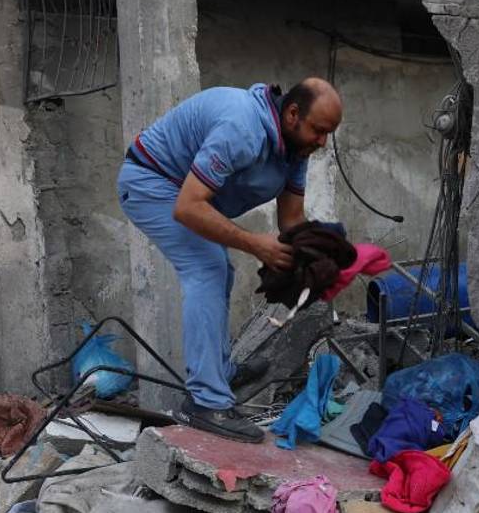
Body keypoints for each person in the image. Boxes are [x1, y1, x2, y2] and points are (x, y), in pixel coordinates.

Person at [117, 78, 342, 442]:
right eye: (319, 131)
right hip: (151, 182)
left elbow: (291, 220)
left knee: (220, 270)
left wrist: (322, 256)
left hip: (185, 194)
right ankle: (207, 403)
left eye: (328, 134)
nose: (322, 142)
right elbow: (189, 207)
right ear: (292, 114)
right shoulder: (242, 128)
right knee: (206, 268)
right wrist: (256, 244)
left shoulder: (294, 150)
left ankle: (219, 371)